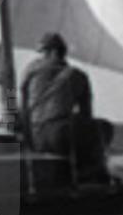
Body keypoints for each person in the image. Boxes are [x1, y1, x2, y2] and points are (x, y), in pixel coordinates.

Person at [20, 33, 109, 186]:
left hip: (35, 137)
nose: (40, 57)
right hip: (60, 135)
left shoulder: (29, 70)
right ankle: (87, 173)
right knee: (104, 127)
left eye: (42, 53)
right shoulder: (78, 75)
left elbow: (15, 98)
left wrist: (20, 131)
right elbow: (86, 114)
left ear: (53, 52)